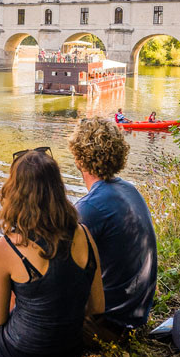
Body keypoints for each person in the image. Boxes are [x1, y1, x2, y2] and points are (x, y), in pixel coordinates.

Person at [0, 148, 104, 357]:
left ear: (15, 192)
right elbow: (97, 306)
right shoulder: (85, 234)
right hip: (69, 355)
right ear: (57, 189)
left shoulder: (7, 247)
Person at [68, 118, 157, 344]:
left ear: (78, 158)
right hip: (136, 317)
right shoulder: (130, 190)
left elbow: (58, 276)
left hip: (110, 327)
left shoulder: (89, 209)